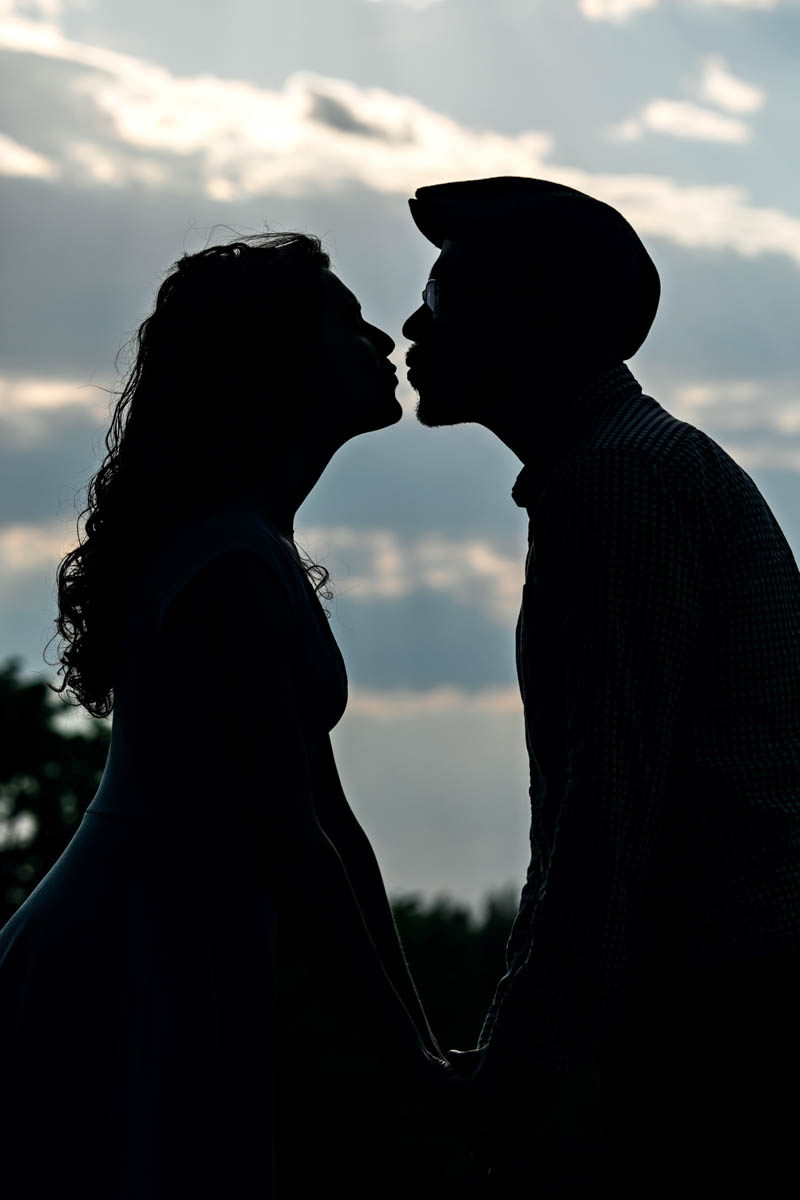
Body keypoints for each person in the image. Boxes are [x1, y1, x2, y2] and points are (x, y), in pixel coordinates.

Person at [0, 231, 456, 1199]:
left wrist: (417, 1042)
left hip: (177, 943)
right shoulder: (233, 571)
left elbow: (333, 824)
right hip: (128, 955)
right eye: (345, 321)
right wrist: (404, 1060)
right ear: (275, 360)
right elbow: (293, 839)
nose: (382, 340)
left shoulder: (250, 547)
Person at [403, 175, 800, 1196]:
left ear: (527, 320)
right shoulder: (631, 464)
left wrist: (516, 1060)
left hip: (718, 1011)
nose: (410, 322)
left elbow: (605, 803)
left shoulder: (613, 482)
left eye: (441, 297)